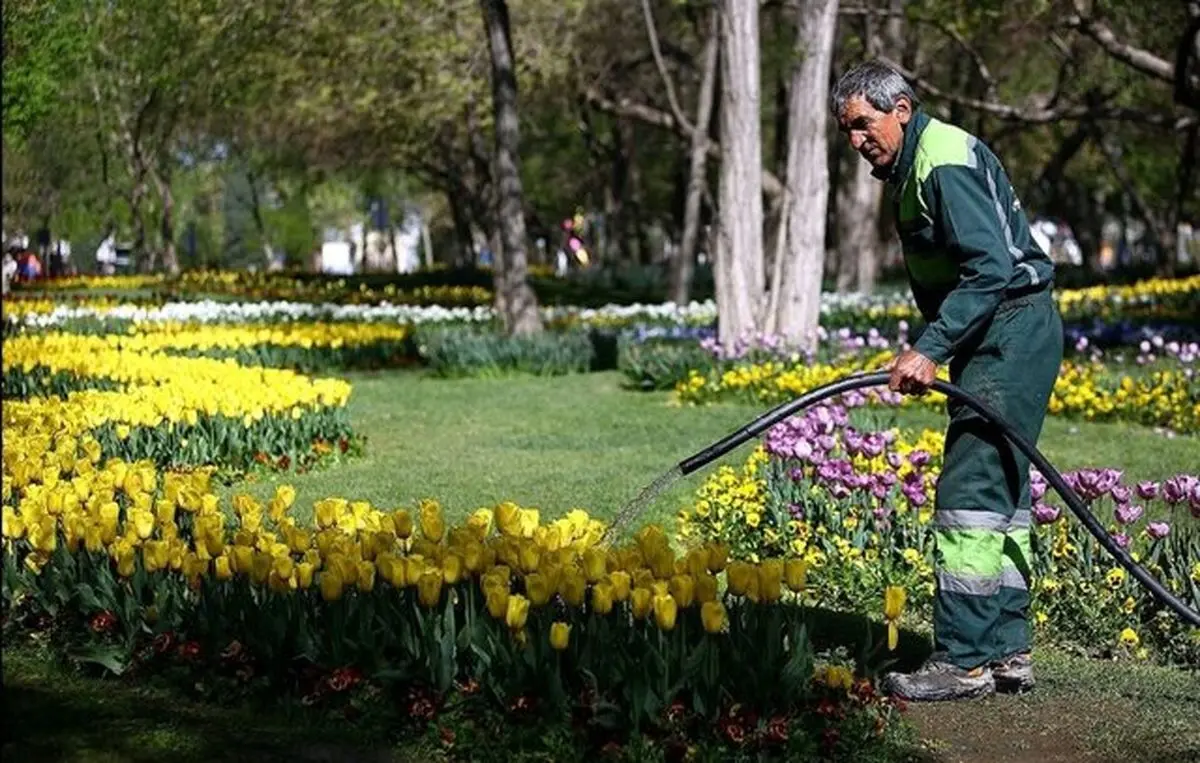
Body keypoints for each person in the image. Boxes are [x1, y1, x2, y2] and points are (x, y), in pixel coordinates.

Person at [830, 60, 1064, 702]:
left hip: (1011, 329)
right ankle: (1006, 651)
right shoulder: (918, 162)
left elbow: (989, 269)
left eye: (862, 123)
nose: (856, 139)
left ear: (900, 109)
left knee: (971, 492)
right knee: (1004, 496)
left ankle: (963, 660)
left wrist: (930, 349)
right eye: (846, 129)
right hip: (1006, 332)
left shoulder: (941, 160)